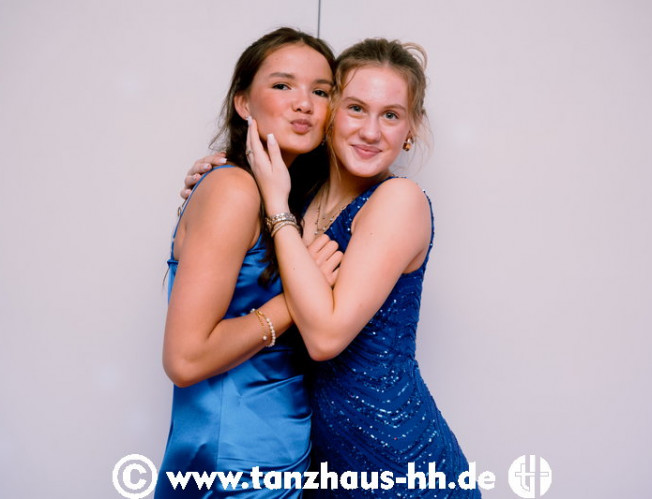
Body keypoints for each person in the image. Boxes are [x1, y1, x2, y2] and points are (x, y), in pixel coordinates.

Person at [246, 39, 481, 497]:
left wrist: (275, 205)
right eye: (356, 108)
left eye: (390, 115)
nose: (371, 132)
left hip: (403, 468)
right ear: (331, 113)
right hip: (325, 468)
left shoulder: (399, 201)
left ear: (410, 129)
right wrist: (224, 173)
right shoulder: (302, 198)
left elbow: (325, 338)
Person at [155, 27, 340, 498]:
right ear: (243, 103)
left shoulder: (288, 200)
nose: (304, 103)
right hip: (232, 464)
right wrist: (295, 301)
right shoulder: (234, 189)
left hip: (277, 450)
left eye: (321, 92)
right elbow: (184, 359)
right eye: (282, 85)